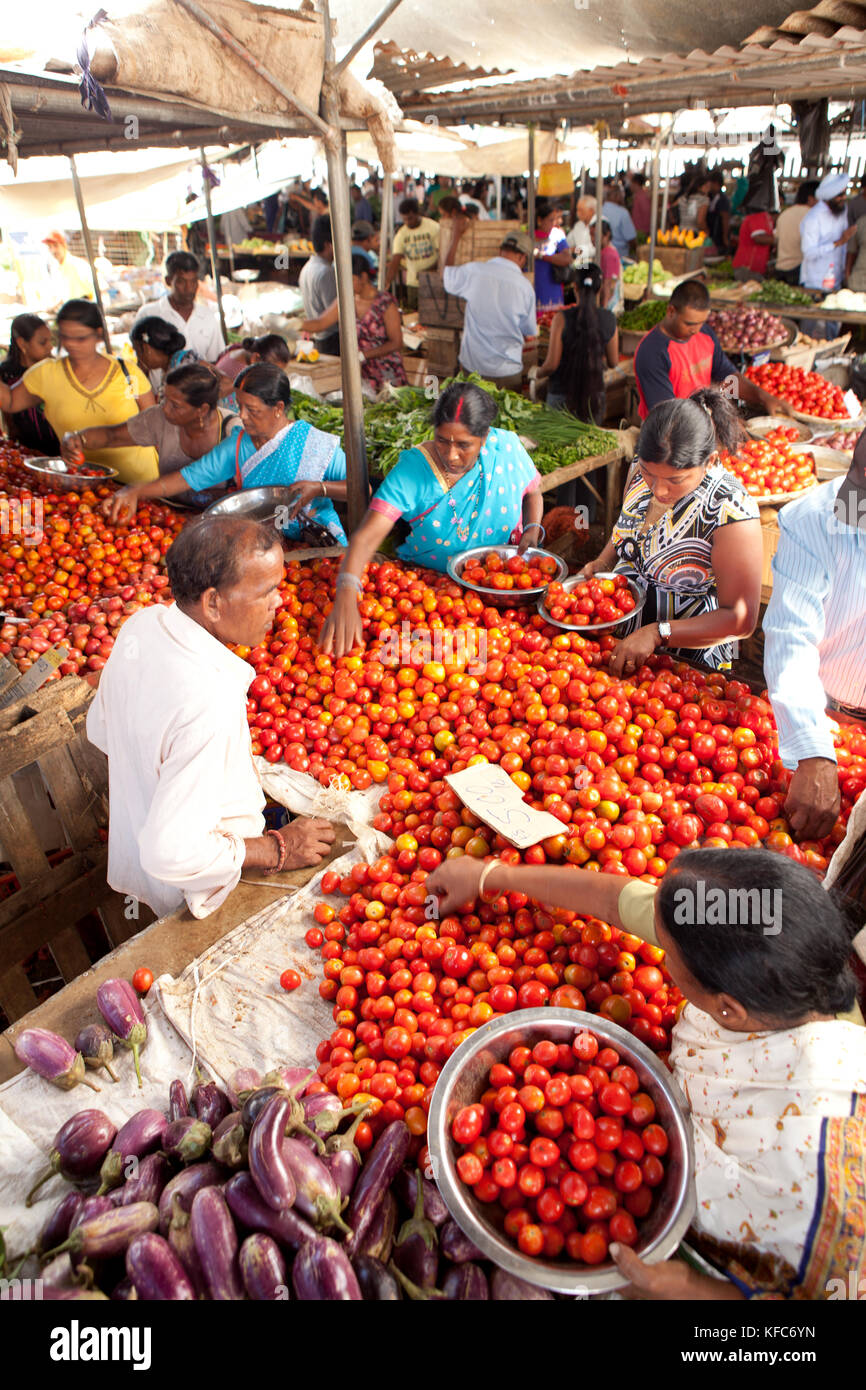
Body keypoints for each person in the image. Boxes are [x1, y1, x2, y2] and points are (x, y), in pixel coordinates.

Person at [426, 847, 865, 1301]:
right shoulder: (778, 956)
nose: (657, 941)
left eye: (668, 954)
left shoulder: (824, 1161)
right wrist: (490, 875)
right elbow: (615, 899)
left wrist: (698, 1290)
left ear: (728, 1010)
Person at [87, 517, 336, 920]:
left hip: (144, 869)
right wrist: (277, 849)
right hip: (201, 893)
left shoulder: (142, 624)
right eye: (267, 591)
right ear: (213, 603)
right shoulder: (206, 700)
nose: (280, 602)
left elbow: (100, 730)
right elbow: (170, 854)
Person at [319, 381, 544, 656]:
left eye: (464, 445)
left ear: (484, 438)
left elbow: (533, 493)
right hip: (429, 597)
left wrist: (532, 529)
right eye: (442, 440)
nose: (451, 454)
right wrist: (346, 590)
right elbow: (367, 536)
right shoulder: (413, 470)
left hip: (501, 590)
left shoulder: (505, 449)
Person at [583, 390, 762, 674]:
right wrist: (601, 564)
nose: (658, 489)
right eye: (649, 473)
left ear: (711, 462)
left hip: (684, 661)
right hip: (618, 636)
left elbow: (741, 619)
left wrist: (658, 633)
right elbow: (624, 529)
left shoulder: (730, 508)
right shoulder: (639, 470)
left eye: (675, 480)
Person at [103, 363, 347, 545]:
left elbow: (360, 489)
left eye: (252, 410)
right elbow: (187, 477)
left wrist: (320, 488)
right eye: (239, 407)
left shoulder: (314, 443)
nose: (242, 416)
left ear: (278, 408)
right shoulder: (238, 445)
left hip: (323, 543)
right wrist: (135, 490)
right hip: (267, 546)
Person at [763, 429, 866, 841]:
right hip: (827, 719)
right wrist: (814, 749)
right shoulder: (818, 521)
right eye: (858, 476)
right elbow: (791, 636)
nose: (853, 498)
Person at [0, 299, 157, 484]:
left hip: (143, 484)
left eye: (81, 338)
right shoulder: (46, 374)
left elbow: (155, 425)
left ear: (98, 335)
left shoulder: (128, 373)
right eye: (65, 337)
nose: (72, 345)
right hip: (85, 487)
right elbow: (10, 401)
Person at [61, 362, 240, 496]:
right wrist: (76, 438)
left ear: (201, 409)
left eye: (175, 405)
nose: (164, 408)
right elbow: (111, 436)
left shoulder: (234, 431)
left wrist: (137, 491)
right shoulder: (159, 419)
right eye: (164, 399)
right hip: (167, 518)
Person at [633, 278, 791, 421]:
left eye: (701, 322)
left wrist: (762, 397)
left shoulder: (705, 334)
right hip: (671, 436)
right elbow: (667, 415)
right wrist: (719, 426)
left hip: (704, 424)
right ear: (671, 311)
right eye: (689, 323)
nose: (695, 330)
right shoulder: (652, 351)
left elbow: (726, 378)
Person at [442, 226, 537, 390]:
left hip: (473, 368)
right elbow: (528, 329)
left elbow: (446, 273)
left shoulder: (474, 271)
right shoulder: (525, 288)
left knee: (472, 414)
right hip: (507, 370)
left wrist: (456, 236)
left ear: (501, 251)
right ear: (523, 257)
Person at [300, 253, 406, 394]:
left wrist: (364, 355)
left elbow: (396, 342)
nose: (345, 284)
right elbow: (320, 323)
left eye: (350, 279)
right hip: (360, 374)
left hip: (387, 373)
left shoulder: (385, 303)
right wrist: (294, 324)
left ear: (363, 277)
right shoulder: (345, 300)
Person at [536, 263, 618, 421]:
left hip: (561, 396)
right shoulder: (609, 319)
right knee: (588, 443)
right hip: (594, 397)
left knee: (556, 444)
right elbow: (613, 362)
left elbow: (551, 364)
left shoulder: (561, 318)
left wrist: (537, 373)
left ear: (575, 288)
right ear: (599, 289)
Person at [133, 251, 225, 363]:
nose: (189, 288)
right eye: (181, 282)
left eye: (193, 281)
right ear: (168, 281)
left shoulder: (208, 317)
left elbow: (216, 360)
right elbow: (140, 361)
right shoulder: (148, 315)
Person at [0, 313, 60, 456]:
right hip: (28, 453)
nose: (50, 347)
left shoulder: (54, 369)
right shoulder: (6, 374)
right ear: (22, 343)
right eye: (42, 342)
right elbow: (10, 421)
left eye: (50, 341)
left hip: (63, 450)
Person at [800, 172, 852, 293]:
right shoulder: (813, 218)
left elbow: (844, 247)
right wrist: (836, 243)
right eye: (840, 195)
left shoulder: (841, 211)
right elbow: (809, 253)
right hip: (816, 282)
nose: (844, 198)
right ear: (829, 196)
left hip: (836, 279)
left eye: (845, 194)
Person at [386, 199, 440, 311]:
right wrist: (386, 282)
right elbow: (395, 261)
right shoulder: (401, 234)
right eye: (404, 219)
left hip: (434, 280)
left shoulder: (433, 227)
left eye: (410, 218)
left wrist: (427, 271)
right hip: (413, 284)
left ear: (417, 213)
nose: (407, 222)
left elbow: (442, 256)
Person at [298, 215, 339, 358]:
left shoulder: (307, 268)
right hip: (332, 341)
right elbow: (334, 315)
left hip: (320, 339)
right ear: (329, 245)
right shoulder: (326, 272)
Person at [130, 315, 198, 398]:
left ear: (146, 349)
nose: (138, 359)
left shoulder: (181, 371)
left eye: (137, 351)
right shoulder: (180, 362)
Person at [775, 180, 818, 285]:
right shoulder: (812, 215)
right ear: (811, 198)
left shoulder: (785, 214)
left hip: (780, 268)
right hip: (798, 270)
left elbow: (776, 239)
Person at [533, 199, 573, 311]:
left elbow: (567, 259)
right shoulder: (529, 236)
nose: (553, 223)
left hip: (553, 286)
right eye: (550, 220)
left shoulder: (557, 235)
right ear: (540, 220)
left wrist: (541, 256)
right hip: (534, 286)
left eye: (554, 220)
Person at [42, 230, 96, 303]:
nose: (53, 251)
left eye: (55, 245)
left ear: (64, 245)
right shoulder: (55, 268)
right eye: (50, 247)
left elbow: (99, 289)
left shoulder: (77, 264)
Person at [732, 202, 775, 280]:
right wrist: (780, 240)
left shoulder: (765, 217)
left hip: (754, 268)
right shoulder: (758, 216)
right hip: (748, 268)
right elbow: (758, 238)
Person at [601, 184, 637, 261]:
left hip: (602, 255)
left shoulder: (599, 210)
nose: (623, 198)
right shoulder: (623, 213)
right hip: (620, 256)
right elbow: (631, 238)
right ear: (617, 196)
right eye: (622, 195)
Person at [700, 171, 731, 253]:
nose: (708, 185)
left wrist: (725, 237)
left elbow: (725, 219)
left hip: (718, 235)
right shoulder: (709, 196)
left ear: (716, 183)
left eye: (709, 182)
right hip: (709, 234)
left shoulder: (723, 199)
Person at [566, 195, 597, 268]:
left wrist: (576, 249)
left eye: (581, 210)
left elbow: (595, 250)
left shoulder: (600, 224)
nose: (578, 213)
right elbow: (568, 242)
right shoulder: (578, 225)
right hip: (580, 265)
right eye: (577, 210)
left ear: (591, 211)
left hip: (594, 266)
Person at [599, 220, 623, 314]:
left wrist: (604, 308)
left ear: (607, 235)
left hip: (610, 305)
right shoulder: (604, 251)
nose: (592, 239)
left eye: (595, 235)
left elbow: (609, 282)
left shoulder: (609, 254)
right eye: (591, 235)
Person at [628, 172, 651, 237]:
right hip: (638, 231)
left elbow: (646, 215)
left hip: (641, 232)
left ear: (636, 183)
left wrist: (645, 232)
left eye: (631, 183)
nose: (630, 186)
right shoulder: (638, 196)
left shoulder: (642, 197)